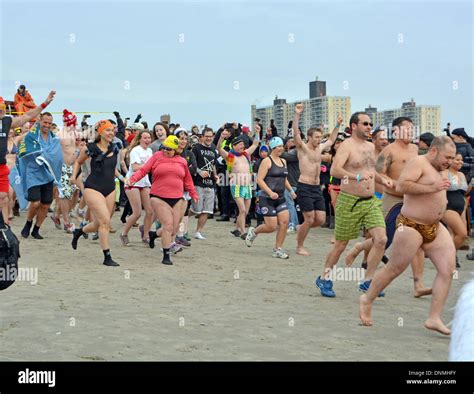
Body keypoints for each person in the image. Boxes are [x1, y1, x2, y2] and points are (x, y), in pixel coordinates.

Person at [359, 136, 456, 335]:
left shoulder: (440, 169)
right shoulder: (418, 162)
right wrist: (432, 188)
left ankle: (434, 317)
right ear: (434, 151)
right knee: (395, 268)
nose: (450, 161)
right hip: (410, 224)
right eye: (447, 157)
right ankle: (367, 299)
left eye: (452, 158)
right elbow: (402, 186)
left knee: (447, 270)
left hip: (435, 226)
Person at [316, 112, 391, 298]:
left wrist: (385, 180)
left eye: (370, 124)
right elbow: (335, 170)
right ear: (354, 126)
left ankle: (367, 281)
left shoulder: (370, 146)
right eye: (365, 123)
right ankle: (324, 278)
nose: (369, 127)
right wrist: (355, 177)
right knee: (341, 244)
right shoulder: (347, 146)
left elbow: (371, 170)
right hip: (349, 201)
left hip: (370, 201)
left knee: (381, 239)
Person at [127, 135, 198, 265]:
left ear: (176, 150)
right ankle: (166, 254)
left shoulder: (182, 161)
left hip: (177, 197)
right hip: (158, 196)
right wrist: (132, 180)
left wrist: (193, 193)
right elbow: (143, 171)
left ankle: (153, 235)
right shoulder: (157, 156)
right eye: (164, 147)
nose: (165, 151)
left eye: (169, 149)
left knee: (175, 228)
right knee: (168, 225)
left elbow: (187, 179)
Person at [71, 120, 123, 267]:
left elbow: (112, 169)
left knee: (99, 223)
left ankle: (79, 231)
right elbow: (78, 162)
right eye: (108, 130)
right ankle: (107, 256)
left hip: (110, 188)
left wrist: (123, 179)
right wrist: (74, 176)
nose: (111, 133)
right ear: (100, 132)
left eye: (112, 130)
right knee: (105, 221)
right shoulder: (90, 148)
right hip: (93, 187)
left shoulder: (115, 148)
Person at [292, 103, 342, 256]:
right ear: (309, 137)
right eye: (317, 137)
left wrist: (337, 125)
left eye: (320, 137)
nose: (319, 140)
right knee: (309, 218)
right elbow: (295, 133)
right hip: (304, 186)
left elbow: (332, 140)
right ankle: (300, 246)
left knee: (320, 219)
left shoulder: (319, 148)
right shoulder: (303, 148)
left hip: (316, 187)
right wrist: (298, 114)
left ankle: (301, 229)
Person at [0, 92, 55, 229]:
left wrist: (44, 104)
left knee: (4, 197)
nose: (1, 111)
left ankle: (5, 227)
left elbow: (27, 116)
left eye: (2, 109)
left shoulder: (7, 121)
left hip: (1, 166)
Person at [245, 136, 296, 259]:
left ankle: (277, 249)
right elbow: (259, 180)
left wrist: (290, 190)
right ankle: (254, 232)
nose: (280, 148)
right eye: (278, 146)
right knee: (271, 227)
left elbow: (284, 179)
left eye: (281, 146)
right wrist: (270, 192)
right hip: (266, 198)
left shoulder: (283, 161)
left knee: (284, 223)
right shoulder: (267, 161)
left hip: (281, 197)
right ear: (272, 148)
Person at [18, 110, 64, 240]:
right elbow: (24, 152)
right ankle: (28, 223)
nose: (47, 125)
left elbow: (57, 156)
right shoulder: (31, 136)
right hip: (33, 172)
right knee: (35, 203)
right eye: (45, 122)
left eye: (50, 123)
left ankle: (36, 229)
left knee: (45, 204)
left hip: (48, 175)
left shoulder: (54, 139)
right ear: (39, 121)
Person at [217, 131, 259, 237]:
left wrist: (257, 133)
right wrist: (221, 138)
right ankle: (243, 232)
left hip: (248, 186)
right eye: (240, 144)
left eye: (243, 144)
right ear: (234, 146)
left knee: (245, 212)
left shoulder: (246, 154)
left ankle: (236, 229)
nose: (242, 146)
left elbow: (255, 144)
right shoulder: (230, 157)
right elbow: (219, 149)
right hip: (236, 186)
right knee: (243, 210)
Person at [120, 129, 154, 246]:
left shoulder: (150, 151)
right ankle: (124, 233)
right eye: (145, 138)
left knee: (150, 212)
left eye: (149, 138)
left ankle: (145, 235)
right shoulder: (135, 150)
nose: (147, 140)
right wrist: (149, 165)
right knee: (137, 212)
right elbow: (135, 167)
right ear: (139, 139)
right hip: (132, 182)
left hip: (145, 183)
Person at [442, 153, 469, 268]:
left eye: (461, 160)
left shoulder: (462, 175)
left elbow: (465, 192)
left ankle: (452, 256)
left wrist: (472, 183)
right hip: (448, 206)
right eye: (457, 160)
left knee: (458, 235)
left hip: (461, 206)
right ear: (451, 160)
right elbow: (441, 189)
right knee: (461, 233)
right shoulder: (444, 173)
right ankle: (449, 256)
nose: (460, 162)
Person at [191, 127, 218, 240]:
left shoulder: (213, 149)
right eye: (206, 136)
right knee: (196, 209)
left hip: (210, 183)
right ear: (202, 137)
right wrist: (199, 172)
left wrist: (215, 175)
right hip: (198, 183)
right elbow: (192, 164)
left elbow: (213, 165)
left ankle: (198, 231)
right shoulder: (196, 148)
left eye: (210, 136)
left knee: (207, 210)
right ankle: (180, 218)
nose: (208, 138)